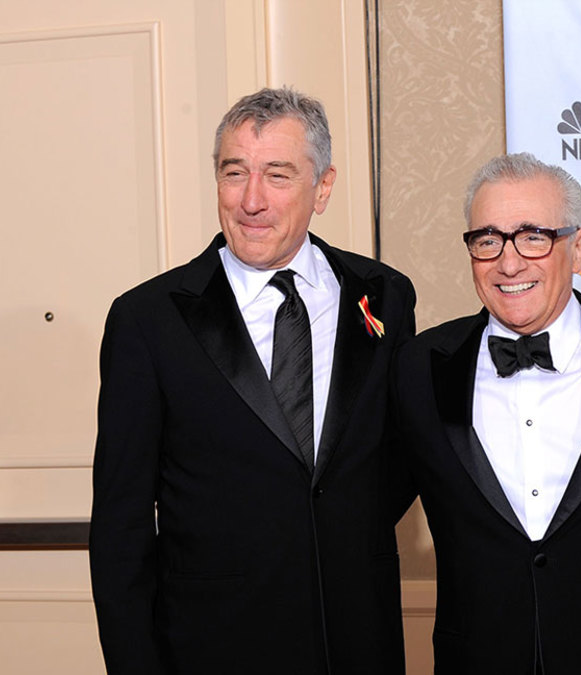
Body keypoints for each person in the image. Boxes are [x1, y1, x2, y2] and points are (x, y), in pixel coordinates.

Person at [89, 87, 416, 674]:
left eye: (278, 175)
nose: (251, 200)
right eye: (233, 172)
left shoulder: (386, 294)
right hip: (213, 647)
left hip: (358, 639)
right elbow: (121, 524)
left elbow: (396, 462)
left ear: (324, 187)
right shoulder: (148, 319)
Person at [392, 153, 581, 674]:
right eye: (487, 239)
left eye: (534, 236)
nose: (509, 261)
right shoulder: (418, 367)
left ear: (579, 247)